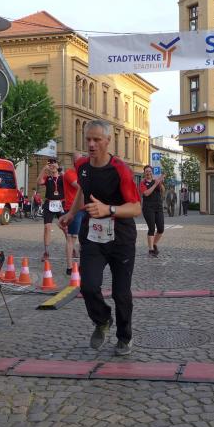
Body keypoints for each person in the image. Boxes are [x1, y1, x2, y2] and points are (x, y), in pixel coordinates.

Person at [59, 119, 141, 356]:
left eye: (97, 140)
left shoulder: (120, 169)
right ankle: (102, 320)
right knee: (88, 285)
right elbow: (83, 192)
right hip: (93, 236)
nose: (91, 144)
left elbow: (136, 208)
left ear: (108, 140)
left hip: (121, 238)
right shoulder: (82, 165)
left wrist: (109, 209)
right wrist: (71, 213)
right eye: (88, 139)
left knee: (120, 293)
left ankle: (124, 337)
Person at [38, 158, 65, 261]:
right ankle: (46, 252)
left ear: (57, 165)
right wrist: (44, 169)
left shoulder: (62, 177)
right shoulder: (47, 178)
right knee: (47, 227)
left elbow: (68, 180)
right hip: (49, 204)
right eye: (50, 164)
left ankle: (71, 247)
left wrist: (59, 169)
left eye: (54, 163)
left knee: (65, 228)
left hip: (61, 204)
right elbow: (39, 181)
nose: (52, 165)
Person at [63, 152, 85, 275]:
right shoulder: (70, 173)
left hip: (84, 208)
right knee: (72, 237)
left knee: (84, 238)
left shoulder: (84, 173)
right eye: (78, 160)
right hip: (73, 209)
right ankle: (69, 267)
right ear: (74, 161)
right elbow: (78, 186)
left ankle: (83, 264)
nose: (81, 162)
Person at [139, 165, 165, 257]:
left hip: (158, 207)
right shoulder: (142, 183)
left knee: (161, 229)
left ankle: (154, 244)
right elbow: (146, 193)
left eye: (150, 171)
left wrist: (160, 182)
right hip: (148, 208)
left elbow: (162, 191)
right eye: (146, 171)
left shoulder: (156, 181)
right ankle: (151, 250)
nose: (148, 173)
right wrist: (155, 184)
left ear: (152, 172)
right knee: (151, 228)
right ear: (144, 173)